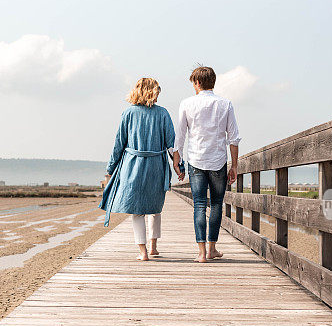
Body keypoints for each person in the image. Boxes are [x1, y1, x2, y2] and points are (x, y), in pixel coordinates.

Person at [100, 78, 176, 261]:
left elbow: (118, 145)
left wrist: (110, 169)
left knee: (137, 210)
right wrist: (179, 167)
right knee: (155, 207)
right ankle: (153, 247)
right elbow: (171, 144)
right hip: (156, 165)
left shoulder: (128, 113)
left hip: (132, 166)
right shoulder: (163, 113)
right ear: (153, 92)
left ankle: (142, 252)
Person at [173, 66, 241, 263]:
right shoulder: (225, 104)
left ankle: (201, 253)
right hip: (218, 161)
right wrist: (234, 166)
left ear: (197, 83)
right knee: (217, 204)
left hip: (196, 160)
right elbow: (234, 138)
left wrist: (177, 159)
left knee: (199, 205)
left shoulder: (187, 103)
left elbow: (180, 135)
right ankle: (212, 248)